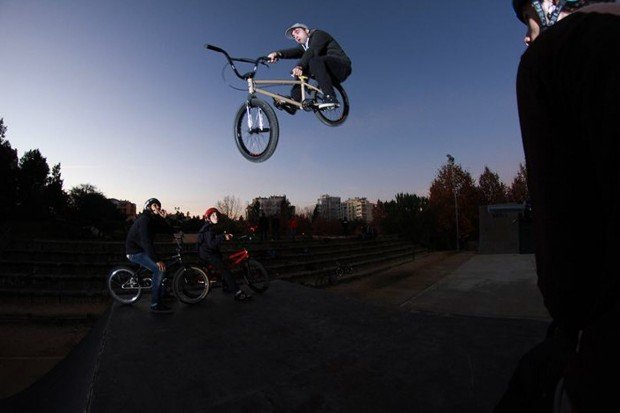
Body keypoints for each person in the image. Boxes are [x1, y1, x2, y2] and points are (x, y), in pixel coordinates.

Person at [495, 1, 620, 411]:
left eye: (529, 16)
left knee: (536, 377)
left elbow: (568, 278)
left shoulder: (557, 52)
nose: (524, 34)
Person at [267, 23, 352, 113]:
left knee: (313, 61)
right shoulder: (304, 47)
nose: (296, 36)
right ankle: (294, 102)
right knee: (302, 71)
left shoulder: (319, 35)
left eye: (297, 32)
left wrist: (300, 66)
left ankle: (330, 97)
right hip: (324, 72)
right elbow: (293, 52)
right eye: (294, 36)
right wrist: (277, 54)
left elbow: (312, 51)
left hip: (341, 67)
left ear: (306, 31)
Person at [125, 198, 176, 314]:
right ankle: (155, 304)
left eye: (159, 205)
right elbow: (146, 242)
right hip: (134, 252)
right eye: (155, 205)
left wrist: (165, 219)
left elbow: (168, 229)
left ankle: (163, 294)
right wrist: (156, 260)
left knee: (164, 266)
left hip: (142, 250)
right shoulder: (144, 220)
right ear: (148, 207)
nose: (158, 207)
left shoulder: (153, 220)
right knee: (160, 269)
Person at [197, 208, 252, 302]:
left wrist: (223, 236)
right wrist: (223, 237)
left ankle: (226, 286)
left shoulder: (208, 227)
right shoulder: (208, 229)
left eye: (217, 215)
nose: (216, 217)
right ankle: (238, 293)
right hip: (208, 255)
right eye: (213, 215)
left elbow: (212, 241)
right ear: (208, 218)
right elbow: (212, 244)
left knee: (225, 263)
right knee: (225, 270)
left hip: (208, 253)